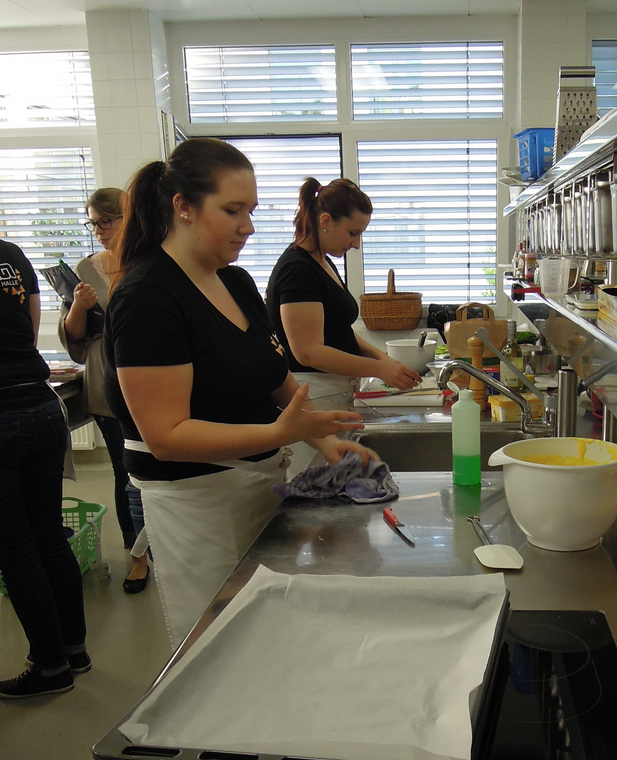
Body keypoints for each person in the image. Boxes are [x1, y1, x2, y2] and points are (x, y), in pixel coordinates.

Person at [104, 139, 376, 651]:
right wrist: (280, 432)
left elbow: (275, 377)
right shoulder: (148, 297)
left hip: (257, 487)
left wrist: (323, 439)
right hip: (198, 505)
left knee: (264, 635)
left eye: (250, 210)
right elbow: (167, 436)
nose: (248, 226)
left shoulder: (234, 281)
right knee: (216, 644)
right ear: (183, 207)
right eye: (232, 210)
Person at [0, 238, 89, 699]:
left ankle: (51, 668)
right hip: (41, 405)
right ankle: (74, 650)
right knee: (49, 535)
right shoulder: (11, 256)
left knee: (15, 548)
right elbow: (31, 333)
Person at [266, 177, 422, 415]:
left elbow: (338, 330)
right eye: (353, 233)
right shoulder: (297, 270)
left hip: (333, 390)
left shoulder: (322, 262)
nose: (356, 244)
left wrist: (384, 359)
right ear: (326, 221)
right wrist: (379, 369)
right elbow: (308, 352)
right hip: (312, 393)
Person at [59, 187, 150, 593]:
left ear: (129, 217)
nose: (98, 230)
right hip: (106, 380)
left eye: (106, 221)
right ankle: (137, 556)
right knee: (124, 470)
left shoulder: (151, 260)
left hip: (152, 376)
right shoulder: (85, 268)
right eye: (93, 223)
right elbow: (75, 338)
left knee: (159, 468)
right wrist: (80, 306)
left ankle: (164, 543)